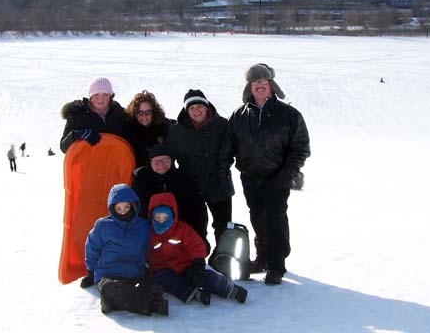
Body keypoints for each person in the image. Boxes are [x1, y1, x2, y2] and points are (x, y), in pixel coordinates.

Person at [219, 63, 311, 285]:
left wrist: (286, 175)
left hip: (277, 178)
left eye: (263, 81)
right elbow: (228, 146)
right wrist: (222, 168)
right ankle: (262, 259)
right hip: (250, 178)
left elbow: (301, 148)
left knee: (276, 219)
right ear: (249, 86)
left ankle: (277, 264)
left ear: (271, 84)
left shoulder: (289, 115)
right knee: (258, 218)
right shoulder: (239, 115)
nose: (259, 85)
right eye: (255, 82)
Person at [81, 183, 168, 316]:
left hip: (135, 272)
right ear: (112, 208)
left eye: (127, 207)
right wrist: (91, 271)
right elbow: (92, 248)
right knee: (111, 289)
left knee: (155, 287)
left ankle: (112, 302)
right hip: (108, 273)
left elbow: (147, 248)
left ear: (134, 206)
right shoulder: (103, 226)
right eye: (118, 208)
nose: (123, 211)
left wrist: (147, 265)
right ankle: (149, 305)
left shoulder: (143, 225)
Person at [147, 192, 247, 305]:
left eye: (165, 217)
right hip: (165, 271)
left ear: (173, 215)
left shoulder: (182, 229)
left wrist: (198, 261)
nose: (161, 221)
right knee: (166, 281)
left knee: (204, 276)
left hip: (187, 266)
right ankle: (195, 294)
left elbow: (196, 245)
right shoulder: (149, 234)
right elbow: (144, 252)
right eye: (158, 217)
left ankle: (231, 289)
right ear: (151, 216)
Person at [167, 89, 234, 250]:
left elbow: (230, 151)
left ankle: (223, 257)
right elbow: (169, 157)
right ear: (186, 110)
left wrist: (222, 173)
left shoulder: (222, 125)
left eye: (199, 107)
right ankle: (197, 257)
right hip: (191, 186)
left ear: (207, 107)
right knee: (194, 225)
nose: (196, 111)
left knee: (223, 225)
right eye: (192, 108)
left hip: (218, 183)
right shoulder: (176, 131)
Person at [132, 143, 209, 251]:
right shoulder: (142, 184)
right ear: (150, 163)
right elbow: (138, 215)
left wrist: (200, 238)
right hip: (152, 239)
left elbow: (199, 212)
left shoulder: (185, 180)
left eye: (165, 160)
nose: (161, 165)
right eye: (156, 161)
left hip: (183, 236)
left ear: (172, 160)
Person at [59, 77, 126, 154]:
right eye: (96, 94)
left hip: (115, 162)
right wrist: (76, 135)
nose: (100, 99)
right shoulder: (77, 114)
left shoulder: (120, 113)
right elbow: (63, 147)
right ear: (90, 96)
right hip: (86, 163)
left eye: (105, 94)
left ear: (111, 96)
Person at [123, 90, 175, 168]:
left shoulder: (163, 127)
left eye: (148, 112)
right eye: (140, 112)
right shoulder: (128, 131)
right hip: (140, 175)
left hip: (164, 173)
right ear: (134, 113)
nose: (144, 116)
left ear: (153, 112)